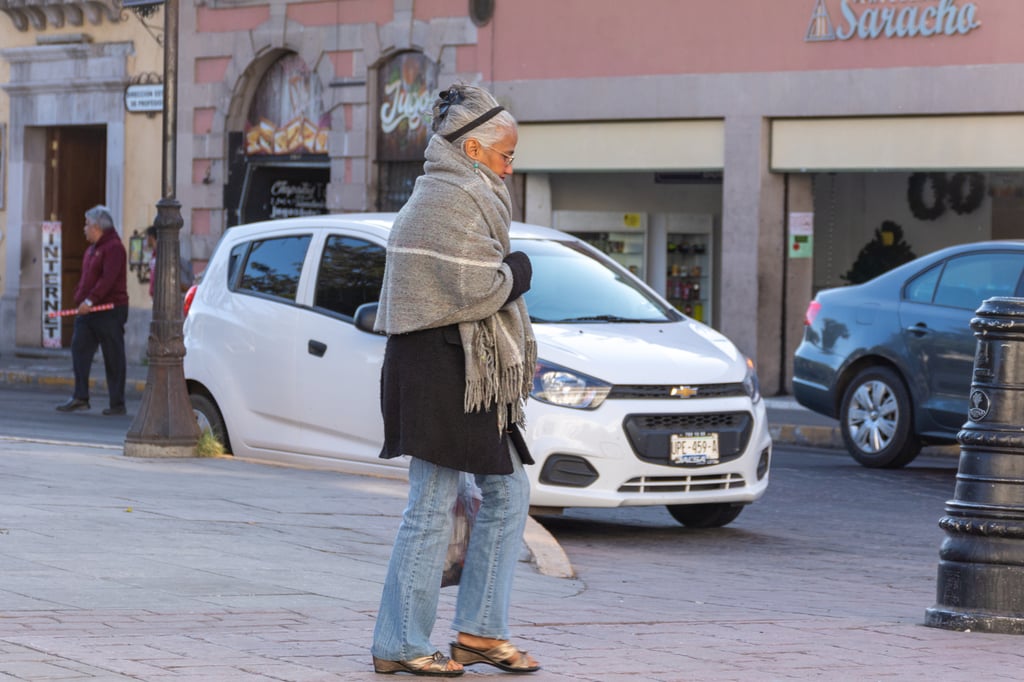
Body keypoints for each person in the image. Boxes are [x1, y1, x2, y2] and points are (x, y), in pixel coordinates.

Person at [370, 84, 541, 677]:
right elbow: (474, 287)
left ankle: (478, 634)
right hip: (439, 367)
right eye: (505, 156)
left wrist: (507, 272)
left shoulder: (472, 193)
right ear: (472, 147)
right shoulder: (445, 196)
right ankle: (400, 641)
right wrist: (517, 272)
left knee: (508, 492)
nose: (510, 168)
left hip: (470, 371)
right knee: (432, 504)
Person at [56, 205, 129, 416]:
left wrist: (90, 299)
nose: (84, 229)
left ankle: (117, 403)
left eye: (87, 225)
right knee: (79, 349)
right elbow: (87, 279)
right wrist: (80, 297)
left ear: (97, 227)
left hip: (110, 310)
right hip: (88, 312)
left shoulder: (114, 248)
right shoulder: (92, 249)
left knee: (113, 356)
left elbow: (108, 280)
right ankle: (80, 397)